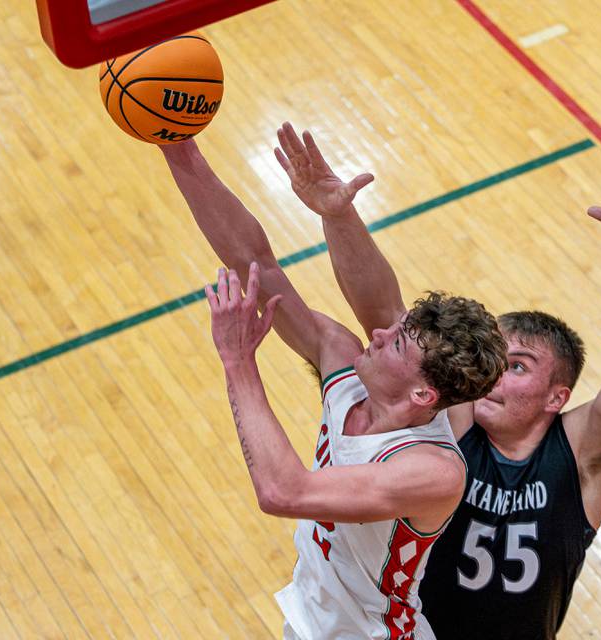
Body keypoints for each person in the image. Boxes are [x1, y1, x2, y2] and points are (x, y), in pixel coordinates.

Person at [273, 122, 601, 639]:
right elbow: (384, 311)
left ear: (556, 397)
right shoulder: (452, 423)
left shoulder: (581, 453)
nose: (494, 377)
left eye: (516, 367)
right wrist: (339, 215)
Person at [161, 139, 508, 640]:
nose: (380, 333)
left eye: (395, 343)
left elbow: (283, 491)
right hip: (311, 623)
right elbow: (256, 262)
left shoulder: (431, 471)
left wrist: (238, 362)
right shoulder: (346, 364)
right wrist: (178, 148)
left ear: (422, 396)